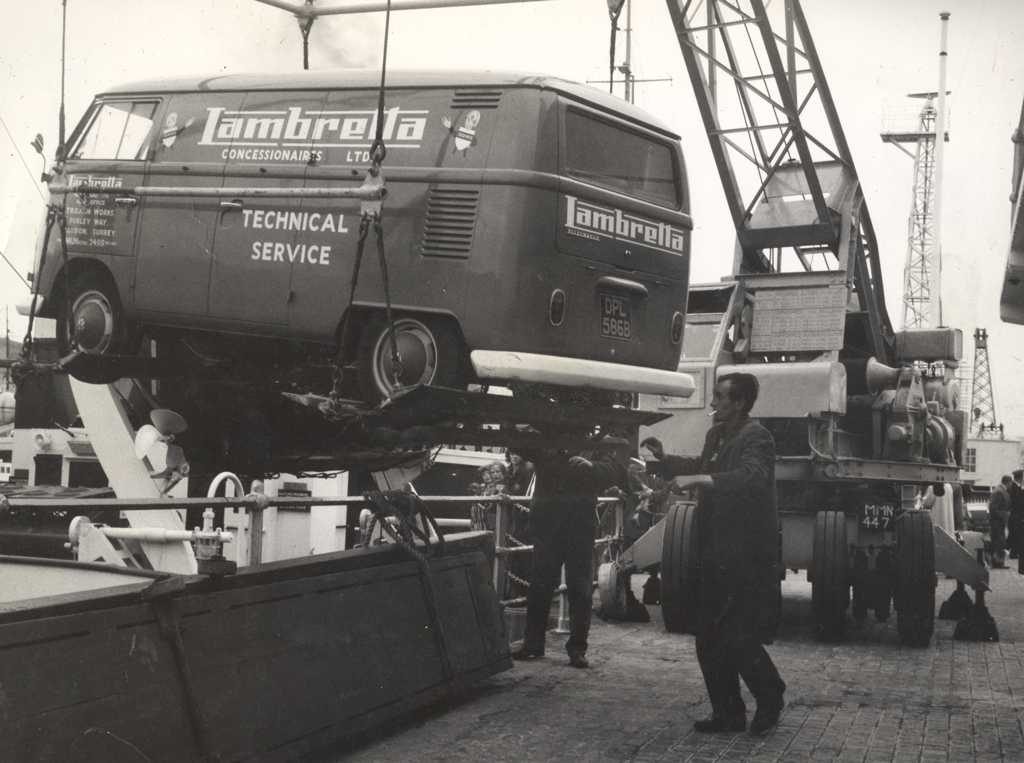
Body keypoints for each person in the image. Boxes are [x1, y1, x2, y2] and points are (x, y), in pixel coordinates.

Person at [642, 372, 785, 737]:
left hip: (747, 556)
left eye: (721, 397)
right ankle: (728, 712)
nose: (713, 403)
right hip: (715, 551)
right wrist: (665, 460)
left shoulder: (758, 438)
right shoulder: (716, 435)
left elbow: (751, 479)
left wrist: (701, 481)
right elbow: (703, 467)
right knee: (707, 636)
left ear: (739, 403)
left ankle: (770, 695)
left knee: (738, 635)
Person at [512, 443, 627, 668]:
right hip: (549, 527)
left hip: (578, 528)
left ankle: (577, 649)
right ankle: (534, 644)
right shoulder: (545, 441)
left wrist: (591, 466)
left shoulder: (595, 442)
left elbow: (615, 472)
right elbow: (523, 447)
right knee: (540, 587)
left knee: (580, 589)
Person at [988, 476, 1013, 568]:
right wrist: (1005, 514)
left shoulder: (1000, 490)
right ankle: (997, 563)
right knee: (998, 541)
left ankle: (998, 562)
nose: (1011, 485)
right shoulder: (999, 492)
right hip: (997, 522)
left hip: (999, 522)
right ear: (1008, 482)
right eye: (1011, 483)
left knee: (1000, 541)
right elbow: (993, 509)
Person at [1008, 470, 1024, 568]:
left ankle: (1014, 552)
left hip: (1015, 515)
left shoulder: (1015, 487)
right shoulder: (1014, 488)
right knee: (1016, 533)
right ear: (1020, 477)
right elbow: (1018, 502)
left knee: (1015, 533)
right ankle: (1014, 552)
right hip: (1016, 515)